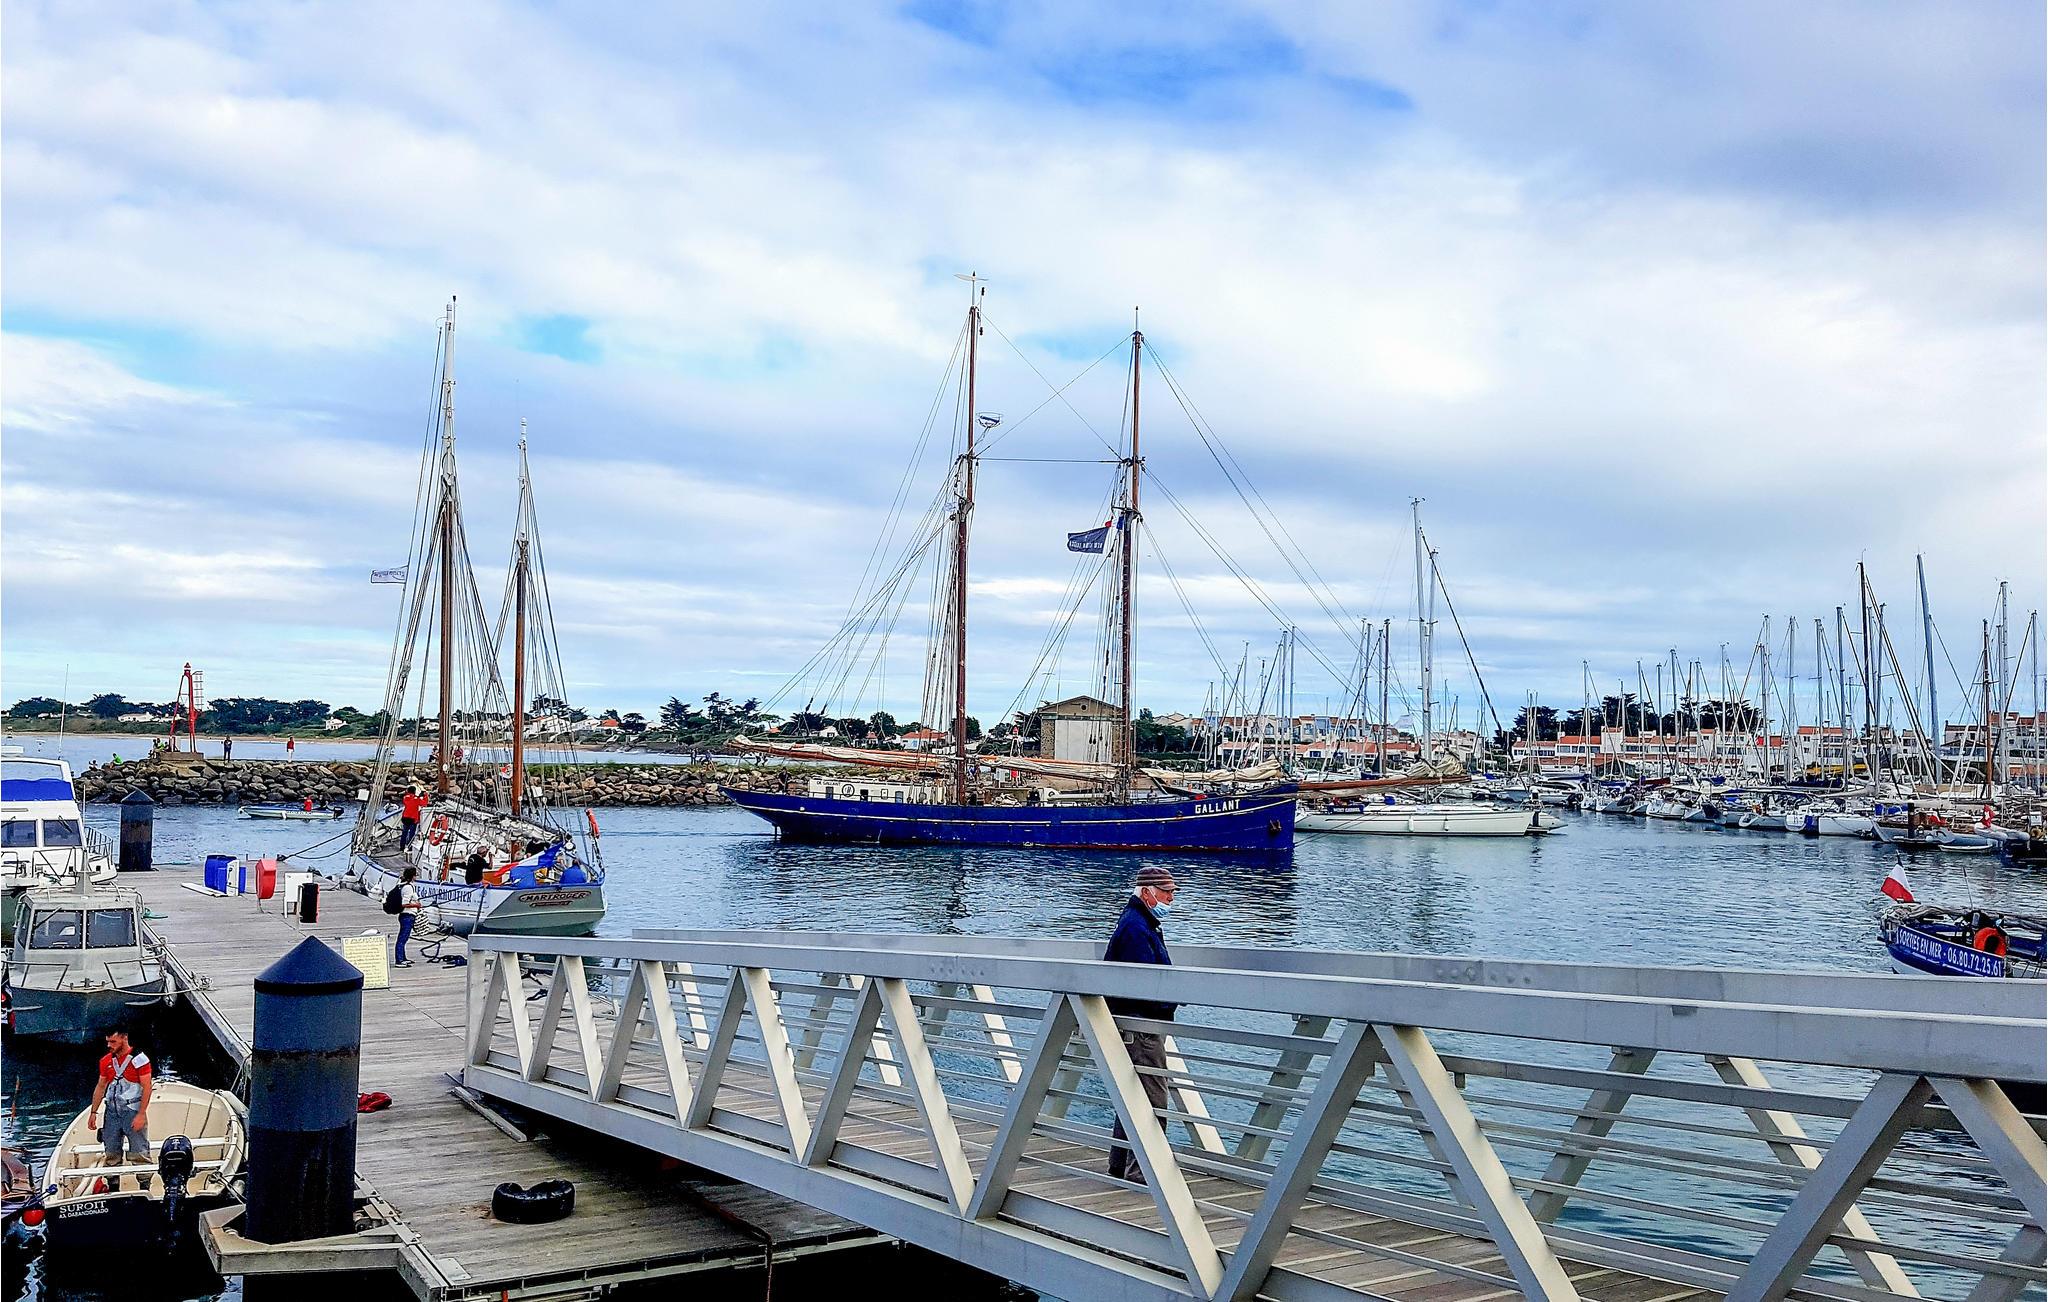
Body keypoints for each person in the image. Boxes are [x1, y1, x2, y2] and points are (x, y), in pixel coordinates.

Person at [1103, 865, 1179, 1183]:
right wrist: (1172, 1000)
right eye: (1166, 892)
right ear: (1147, 892)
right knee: (1152, 1099)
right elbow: (1145, 985)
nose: (1171, 899)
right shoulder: (1137, 928)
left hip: (1134, 1024)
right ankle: (1144, 1172)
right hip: (1142, 1027)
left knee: (1133, 1096)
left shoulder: (1137, 921)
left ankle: (1120, 1164)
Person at [90, 1027, 154, 1190]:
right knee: (111, 1152)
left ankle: (145, 1186)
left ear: (124, 1038)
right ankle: (113, 1186)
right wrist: (93, 1112)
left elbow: (147, 1087)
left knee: (139, 1152)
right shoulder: (106, 1061)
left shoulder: (140, 1060)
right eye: (108, 1042)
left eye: (113, 1041)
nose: (109, 1045)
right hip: (112, 1113)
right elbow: (101, 1086)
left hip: (132, 1112)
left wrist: (141, 1114)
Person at [394, 866, 422, 967]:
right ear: (412, 876)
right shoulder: (408, 888)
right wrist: (416, 905)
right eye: (415, 875)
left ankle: (403, 958)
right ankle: (399, 960)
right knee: (402, 938)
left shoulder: (405, 886)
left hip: (408, 915)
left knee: (404, 938)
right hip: (407, 915)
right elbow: (404, 903)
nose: (416, 877)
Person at [399, 786, 428, 850]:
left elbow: (410, 799)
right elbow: (424, 803)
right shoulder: (417, 799)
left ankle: (402, 846)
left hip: (405, 817)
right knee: (411, 833)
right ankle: (409, 847)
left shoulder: (405, 798)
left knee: (404, 832)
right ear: (414, 791)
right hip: (413, 818)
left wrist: (418, 796)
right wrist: (425, 796)